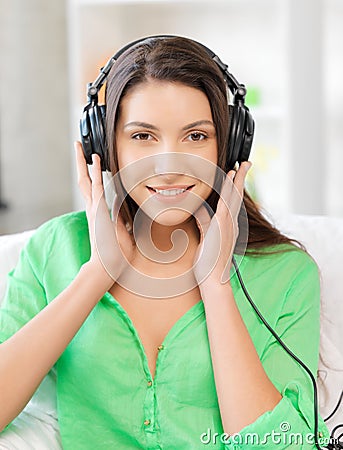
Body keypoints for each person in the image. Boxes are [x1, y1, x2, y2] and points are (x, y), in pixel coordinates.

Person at [0, 35, 330, 449]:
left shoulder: (287, 272)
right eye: (142, 136)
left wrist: (216, 286)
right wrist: (96, 274)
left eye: (196, 137)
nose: (171, 166)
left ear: (229, 147)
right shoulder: (55, 249)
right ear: (104, 145)